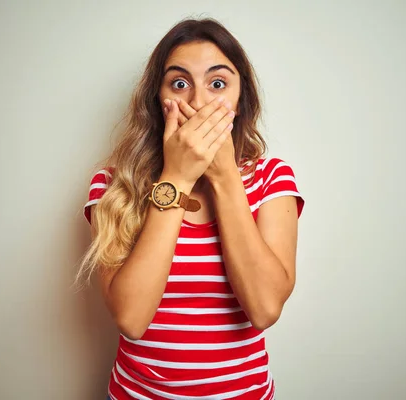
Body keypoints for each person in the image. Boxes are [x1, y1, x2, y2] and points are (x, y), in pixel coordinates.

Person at [77, 17, 304, 400]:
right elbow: (131, 319)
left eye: (218, 83)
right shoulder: (113, 185)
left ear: (240, 98)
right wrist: (177, 178)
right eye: (179, 84)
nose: (198, 102)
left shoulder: (271, 178)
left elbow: (264, 310)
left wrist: (224, 177)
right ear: (157, 99)